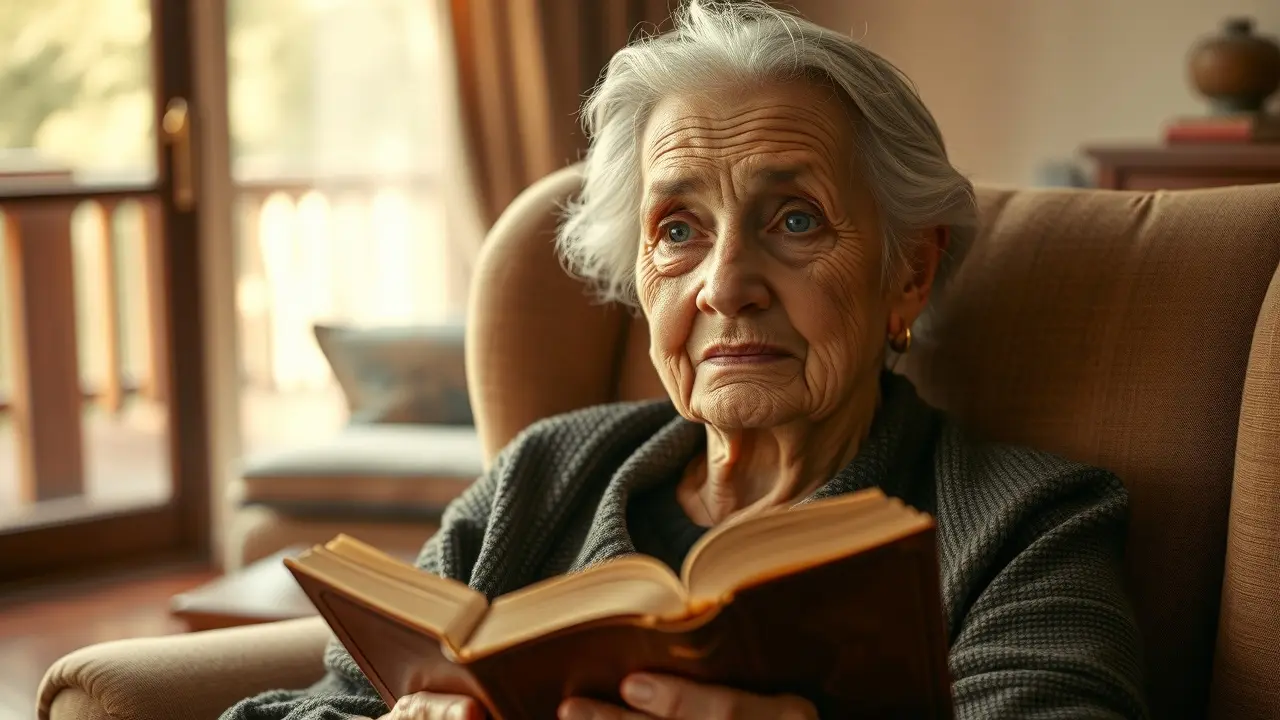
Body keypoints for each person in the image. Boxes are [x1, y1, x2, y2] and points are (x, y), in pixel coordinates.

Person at [222, 1, 1148, 718]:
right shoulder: (542, 477)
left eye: (794, 220)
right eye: (678, 230)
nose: (724, 285)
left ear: (908, 273)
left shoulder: (1030, 523)